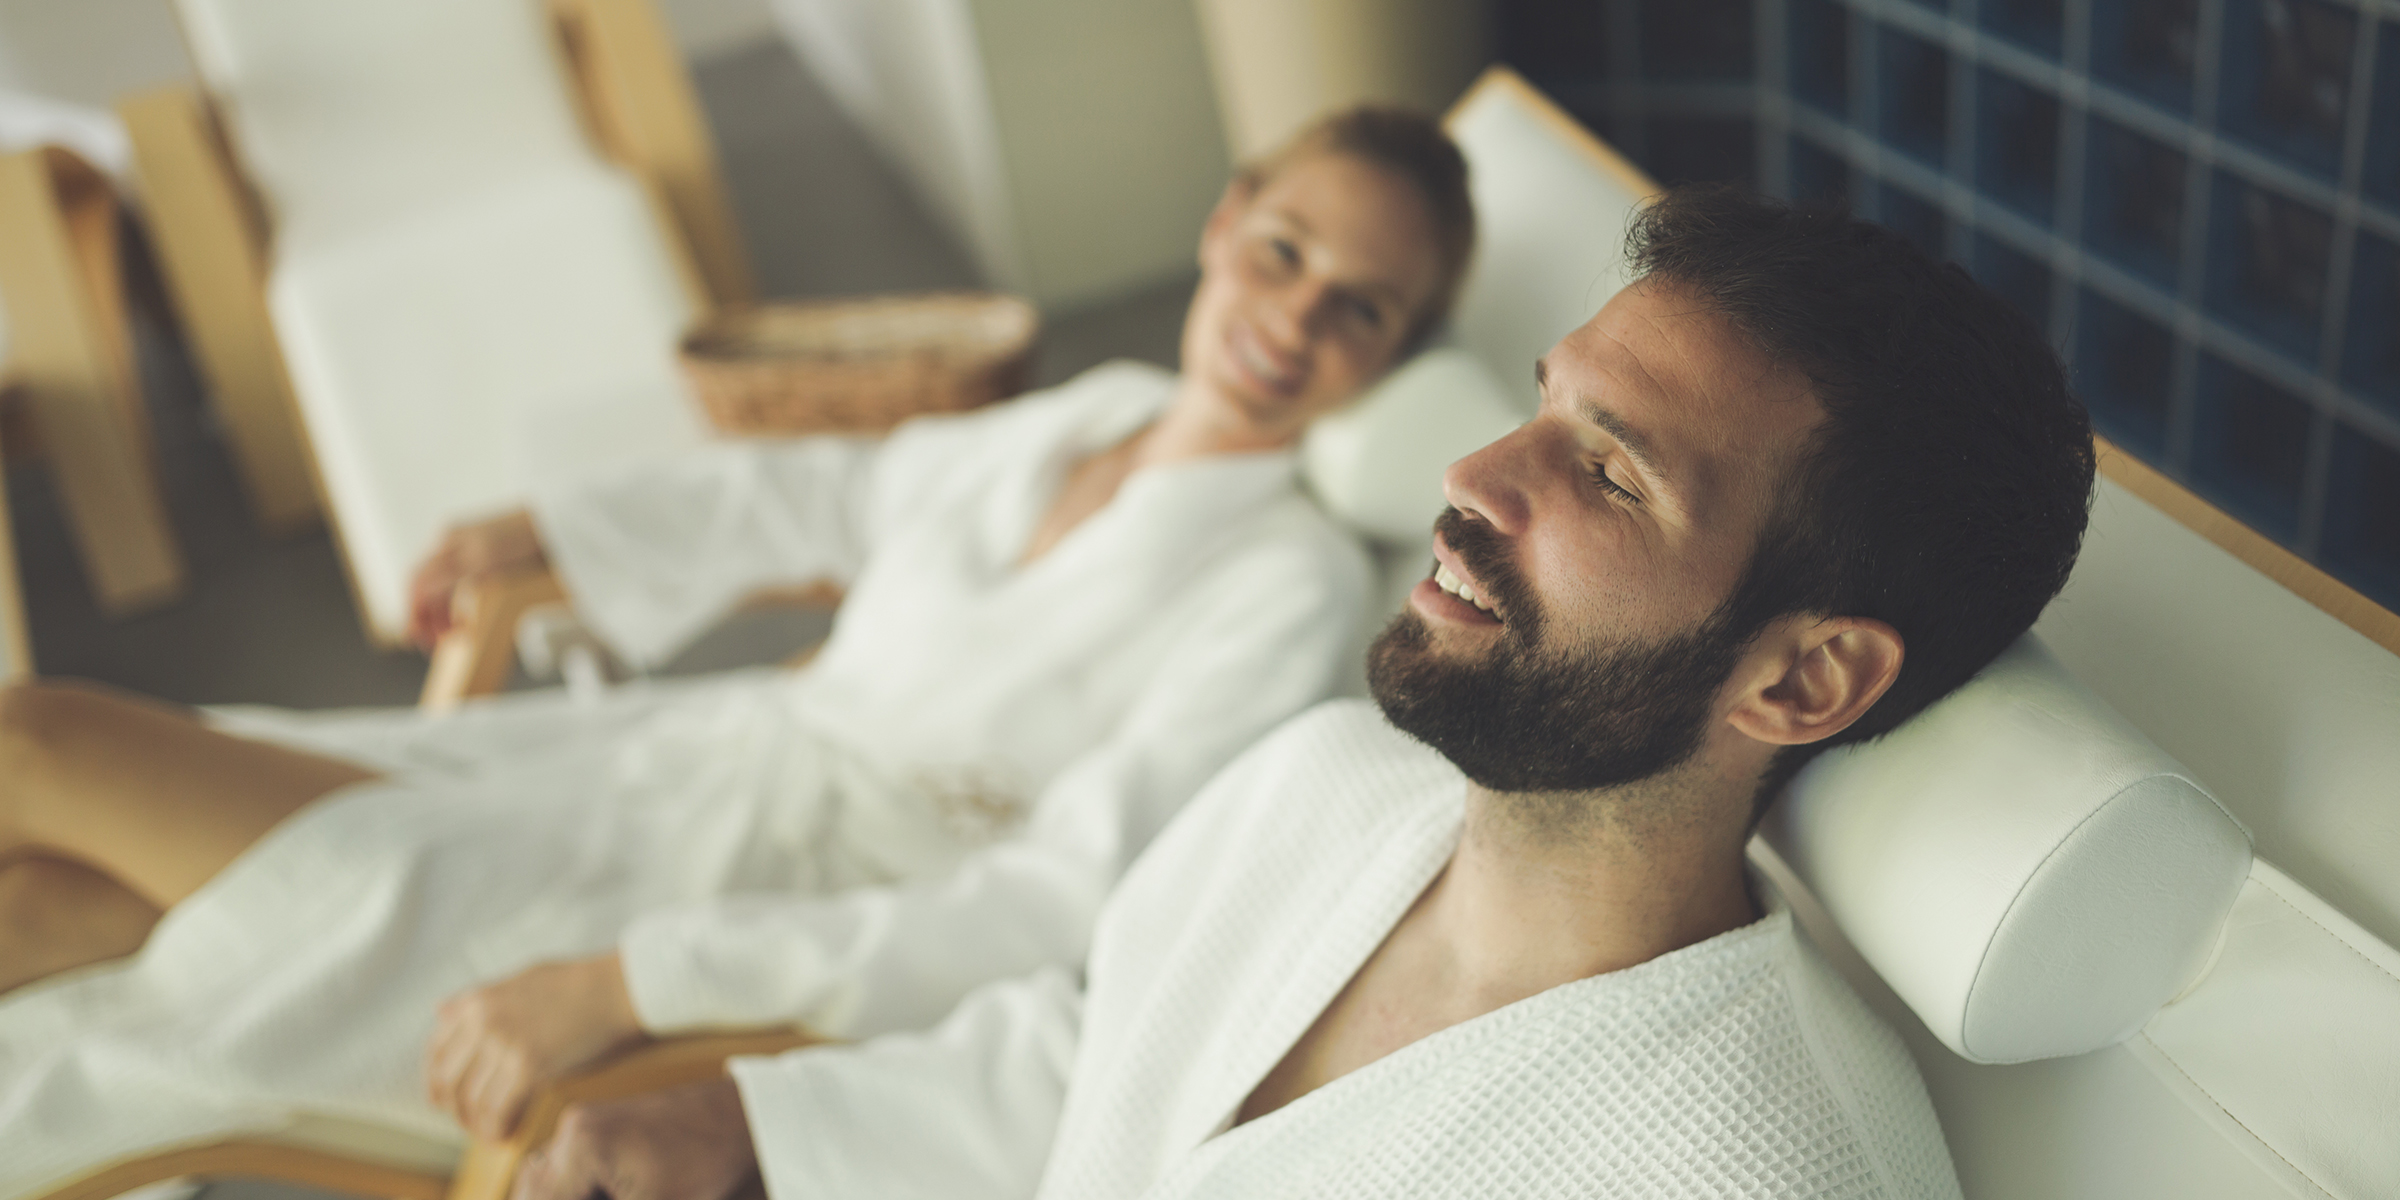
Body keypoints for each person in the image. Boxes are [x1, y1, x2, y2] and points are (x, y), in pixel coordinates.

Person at [508, 185, 2093, 1200]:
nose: (1473, 477)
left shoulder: (1750, 1171)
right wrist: (750, 1123)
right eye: (1548, 407)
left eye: (1607, 476)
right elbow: (1096, 1053)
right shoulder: (1319, 784)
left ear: (1805, 676)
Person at [0, 107, 1476, 1191]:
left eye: (1359, 310)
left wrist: (631, 983)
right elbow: (840, 488)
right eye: (1283, 252)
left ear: (1397, 356)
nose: (1292, 319)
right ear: (1225, 226)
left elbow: (1067, 902)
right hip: (649, 770)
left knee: (41, 748)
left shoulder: (1279, 584)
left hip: (732, 901)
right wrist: (555, 531)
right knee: (45, 911)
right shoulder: (1095, 410)